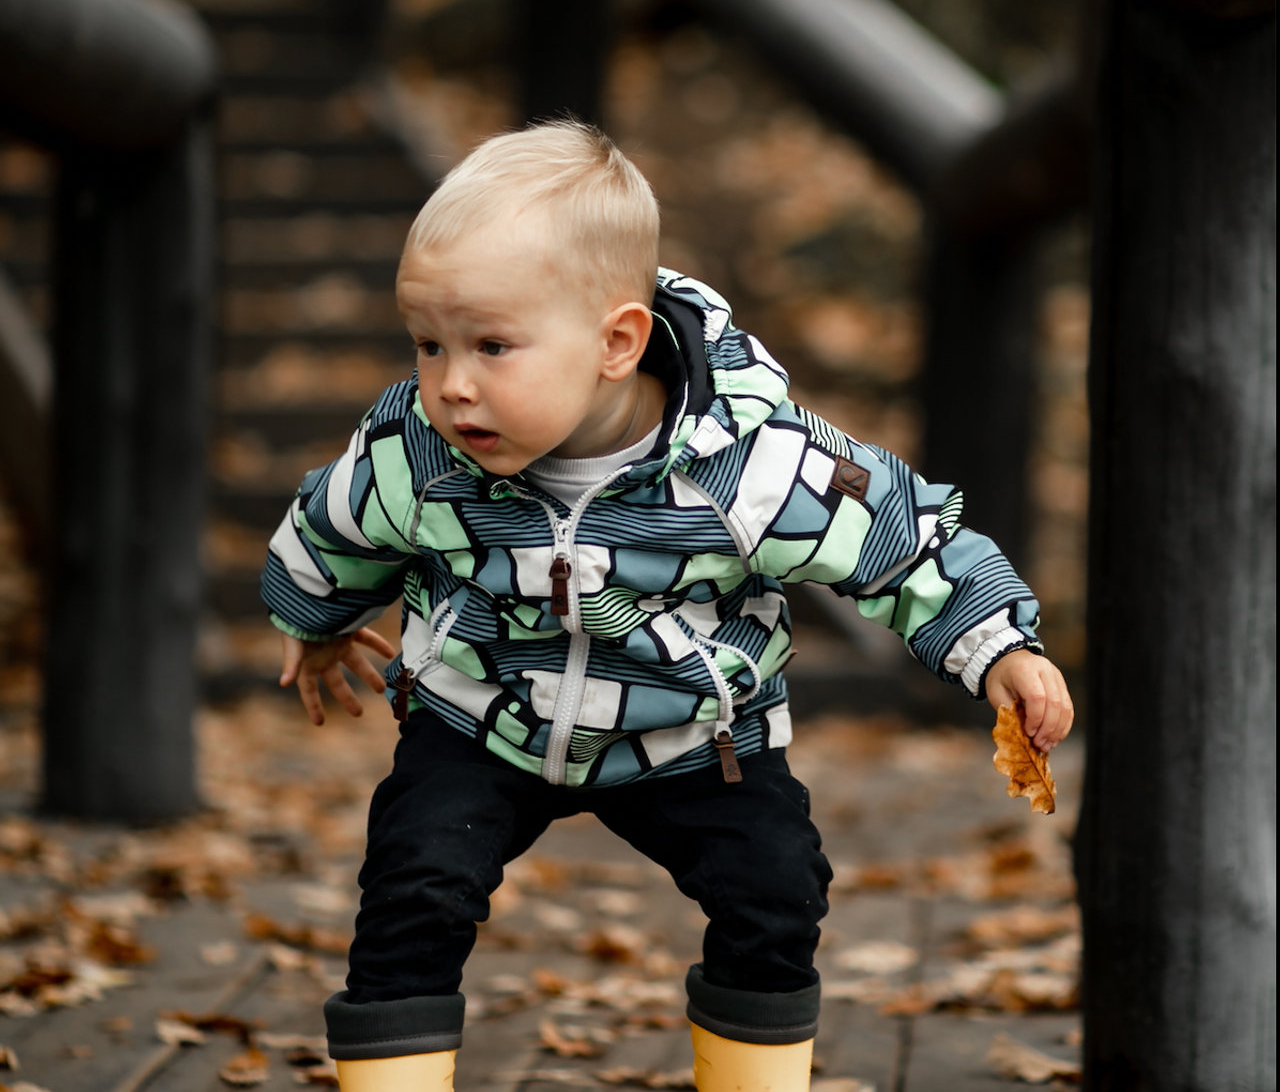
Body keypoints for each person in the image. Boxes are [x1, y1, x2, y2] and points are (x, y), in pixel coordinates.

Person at [261, 120, 1073, 1092]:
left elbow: (900, 539)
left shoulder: (747, 463)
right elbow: (335, 523)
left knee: (775, 890)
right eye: (428, 345)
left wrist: (997, 645)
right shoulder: (421, 451)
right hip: (481, 717)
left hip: (691, 732)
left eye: (491, 346)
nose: (451, 385)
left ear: (617, 342)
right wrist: (314, 618)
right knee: (412, 884)